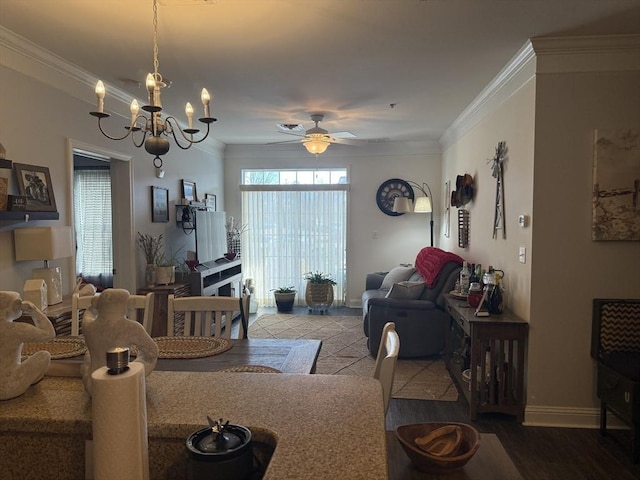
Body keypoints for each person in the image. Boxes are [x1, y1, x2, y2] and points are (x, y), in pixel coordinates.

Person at [81, 288, 159, 394]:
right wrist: (139, 358)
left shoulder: (88, 326)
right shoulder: (131, 327)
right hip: (120, 384)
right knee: (150, 357)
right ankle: (131, 378)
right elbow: (153, 352)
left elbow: (88, 314)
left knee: (88, 355)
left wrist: (94, 305)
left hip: (93, 386)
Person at [0, 291, 56, 400]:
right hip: (9, 387)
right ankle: (30, 380)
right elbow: (49, 335)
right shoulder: (16, 330)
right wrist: (34, 310)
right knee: (44, 356)